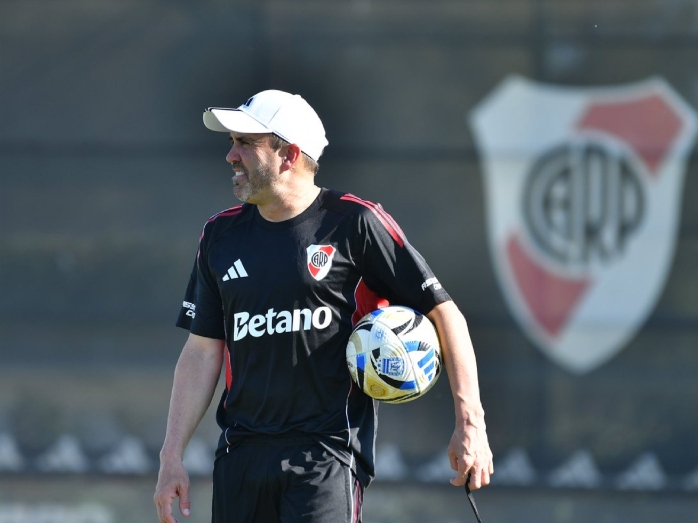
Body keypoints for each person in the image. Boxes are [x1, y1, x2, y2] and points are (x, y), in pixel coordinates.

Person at [154, 89, 493, 523]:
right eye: (231, 143)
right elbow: (202, 350)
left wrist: (472, 423)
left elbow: (445, 314)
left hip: (327, 453)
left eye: (246, 143)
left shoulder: (355, 222)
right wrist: (171, 455)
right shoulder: (219, 236)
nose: (231, 156)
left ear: (290, 154)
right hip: (241, 454)